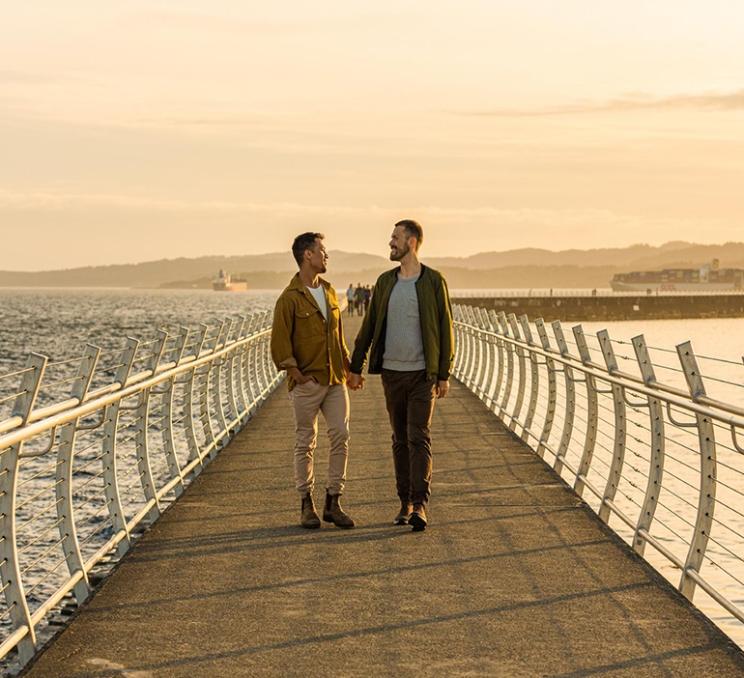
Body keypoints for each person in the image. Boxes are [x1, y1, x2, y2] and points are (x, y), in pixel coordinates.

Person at [348, 220, 454, 532]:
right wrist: (356, 366)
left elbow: (445, 327)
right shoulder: (385, 282)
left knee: (418, 436)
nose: (390, 242)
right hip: (392, 374)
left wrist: (443, 373)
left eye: (395, 237)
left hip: (423, 374)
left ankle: (421, 504)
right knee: (399, 439)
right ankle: (404, 502)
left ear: (411, 241)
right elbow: (368, 327)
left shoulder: (433, 281)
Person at [271, 233, 355, 530]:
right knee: (305, 442)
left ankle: (334, 500)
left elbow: (338, 335)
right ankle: (307, 504)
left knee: (341, 435)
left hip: (334, 380)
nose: (326, 255)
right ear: (307, 255)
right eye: (322, 250)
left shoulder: (331, 292)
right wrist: (297, 375)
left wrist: (349, 368)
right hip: (308, 382)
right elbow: (280, 345)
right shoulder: (289, 298)